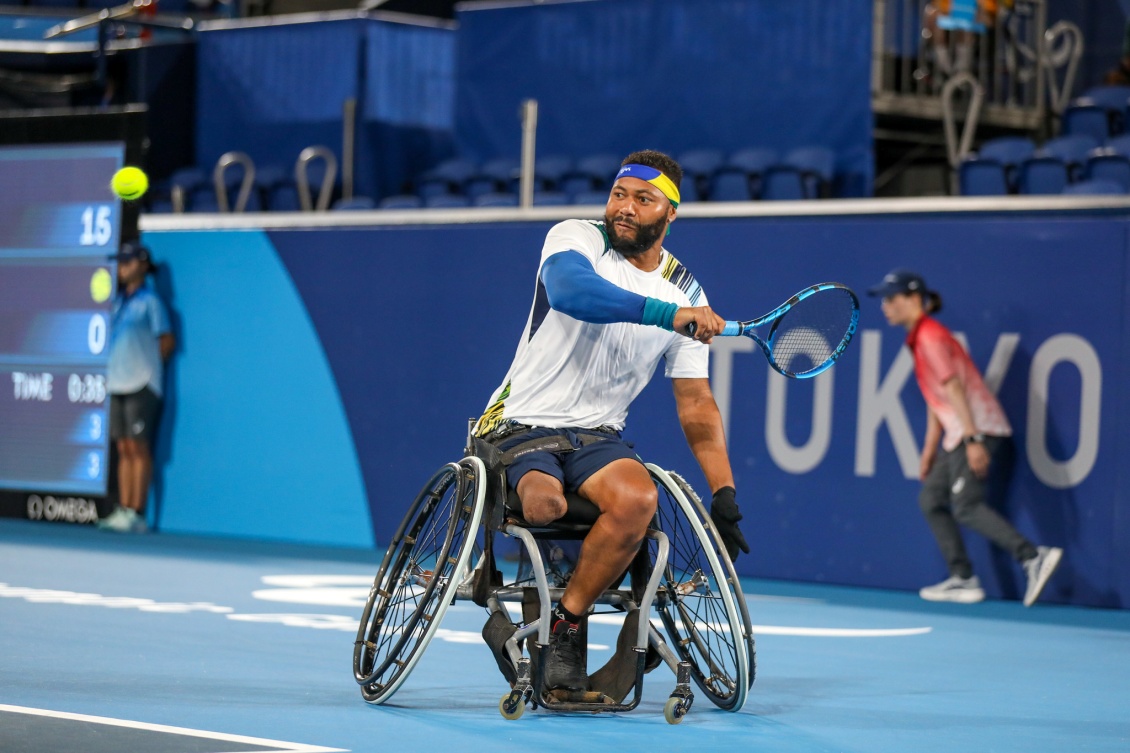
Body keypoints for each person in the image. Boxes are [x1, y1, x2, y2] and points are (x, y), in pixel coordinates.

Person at [474, 150, 748, 693]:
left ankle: (565, 622)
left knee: (639, 501)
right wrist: (672, 317)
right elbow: (574, 294)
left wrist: (724, 490)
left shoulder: (688, 293)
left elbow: (696, 405)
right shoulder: (576, 237)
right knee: (544, 504)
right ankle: (533, 600)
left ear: (671, 214)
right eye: (619, 194)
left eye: (643, 199)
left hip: (597, 437)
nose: (624, 208)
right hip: (518, 425)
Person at [868, 269, 1062, 607]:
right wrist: (929, 450)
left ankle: (1032, 556)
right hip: (959, 434)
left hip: (976, 430)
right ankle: (963, 578)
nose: (885, 306)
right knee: (931, 499)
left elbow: (954, 389)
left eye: (892, 298)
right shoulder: (919, 338)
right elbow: (937, 400)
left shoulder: (929, 336)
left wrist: (973, 440)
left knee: (967, 507)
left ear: (914, 300)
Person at [98, 241, 175, 533]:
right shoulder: (118, 303)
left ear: (142, 265)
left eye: (128, 262)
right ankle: (123, 508)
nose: (122, 268)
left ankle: (137, 512)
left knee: (138, 448)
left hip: (142, 385)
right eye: (120, 262)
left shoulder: (151, 301)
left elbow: (166, 341)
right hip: (117, 383)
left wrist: (146, 367)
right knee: (123, 447)